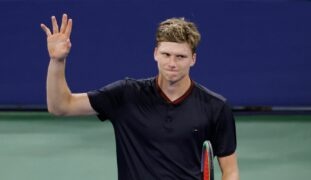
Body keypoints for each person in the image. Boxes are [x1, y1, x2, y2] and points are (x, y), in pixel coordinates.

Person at [41, 14, 239, 180]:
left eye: (180, 57)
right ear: (155, 54)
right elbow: (61, 106)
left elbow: (230, 170)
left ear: (193, 59)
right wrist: (57, 61)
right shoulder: (126, 95)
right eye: (166, 54)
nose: (172, 63)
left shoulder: (216, 107)